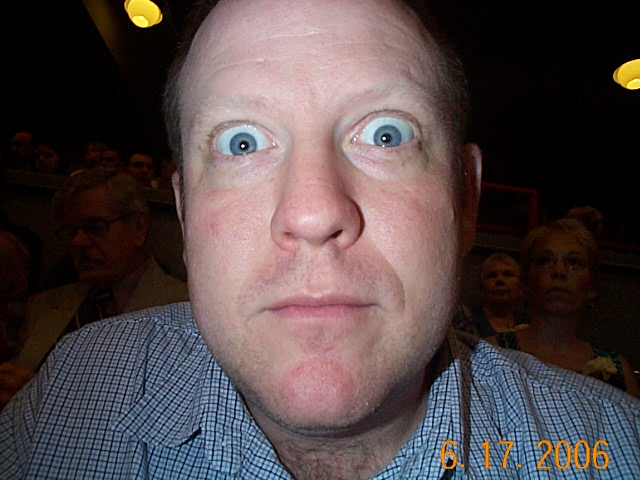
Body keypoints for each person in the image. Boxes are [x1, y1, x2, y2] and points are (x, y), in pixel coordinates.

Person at [1, 1, 638, 478]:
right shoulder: (74, 391)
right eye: (241, 142)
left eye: (386, 134)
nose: (312, 213)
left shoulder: (614, 451)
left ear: (465, 201)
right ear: (185, 215)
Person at [0, 167, 188, 408]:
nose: (78, 242)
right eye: (71, 232)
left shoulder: (187, 312)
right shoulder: (43, 306)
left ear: (139, 226)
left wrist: (45, 403)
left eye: (96, 228)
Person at [487, 219, 640, 397]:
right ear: (526, 280)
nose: (559, 271)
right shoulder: (491, 353)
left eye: (574, 262)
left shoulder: (617, 371)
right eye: (545, 260)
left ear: (592, 286)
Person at [455, 252, 529, 337]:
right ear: (482, 287)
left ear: (520, 287)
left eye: (508, 274)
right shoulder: (467, 322)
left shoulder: (530, 324)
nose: (499, 280)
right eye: (492, 276)